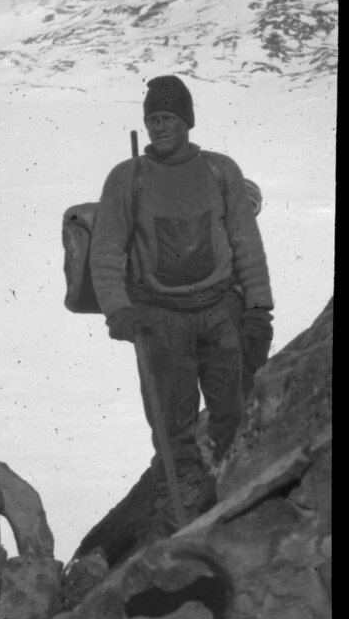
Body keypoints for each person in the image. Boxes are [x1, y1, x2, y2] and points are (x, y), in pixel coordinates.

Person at [89, 75, 274, 521]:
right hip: (159, 317)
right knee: (172, 428)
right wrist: (119, 310)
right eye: (152, 119)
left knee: (234, 411)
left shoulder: (220, 170)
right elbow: (107, 250)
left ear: (187, 121)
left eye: (168, 117)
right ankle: (178, 510)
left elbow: (246, 243)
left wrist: (257, 309)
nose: (159, 127)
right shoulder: (127, 178)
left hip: (220, 311)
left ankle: (236, 495)